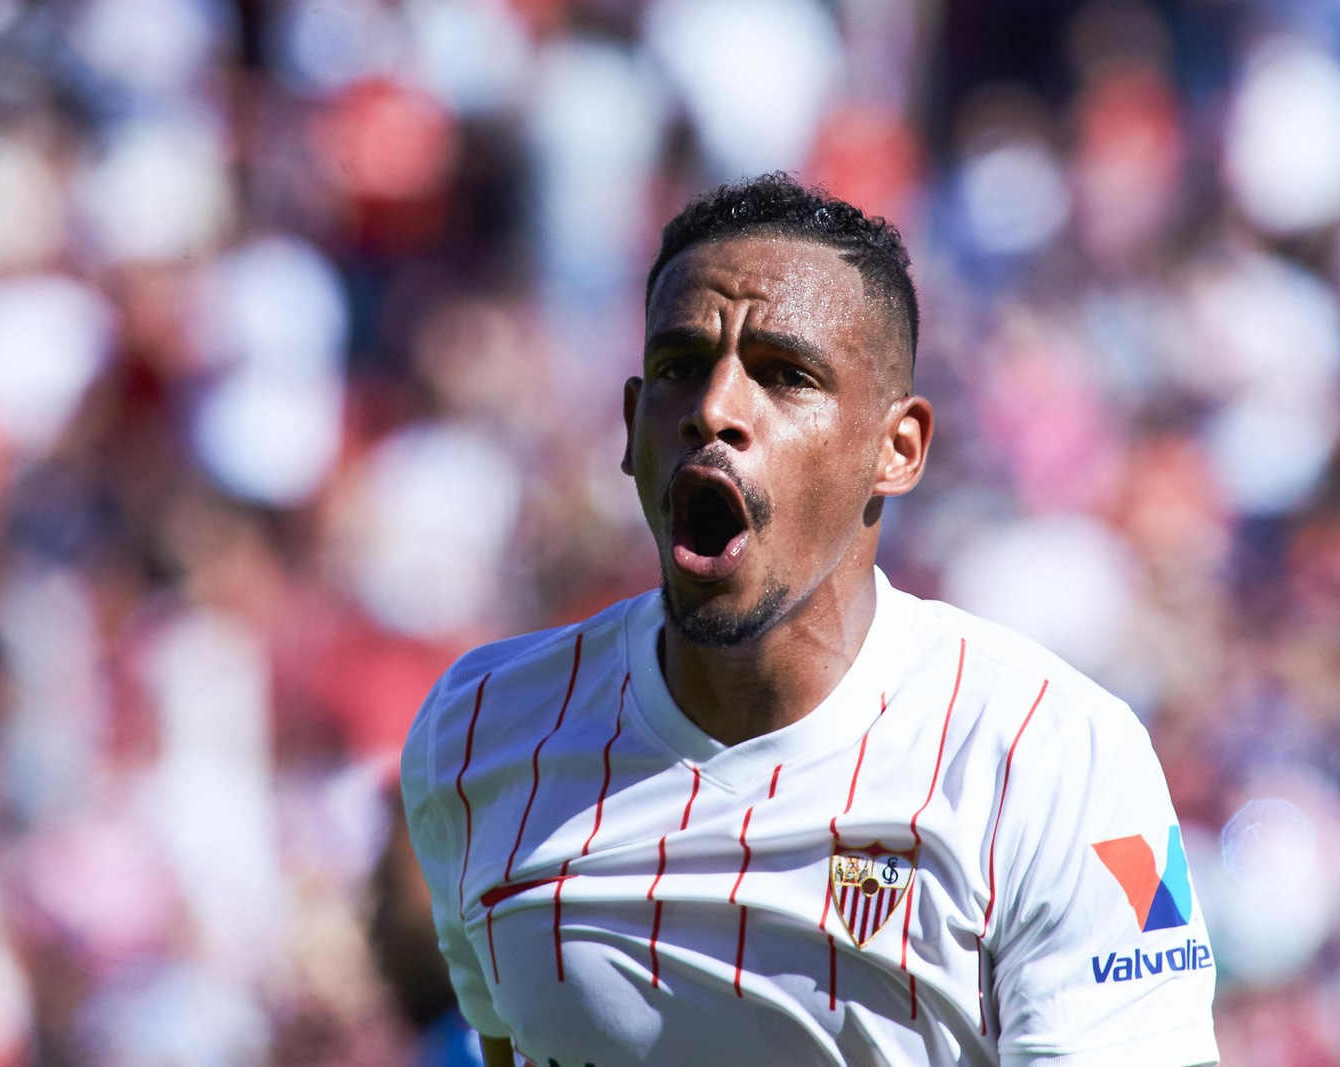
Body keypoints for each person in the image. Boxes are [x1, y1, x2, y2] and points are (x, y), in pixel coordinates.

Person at [402, 173, 1219, 1066]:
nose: (715, 410)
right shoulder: (476, 730)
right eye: (680, 367)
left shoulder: (1052, 752)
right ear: (634, 425)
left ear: (895, 449)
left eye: (786, 375)